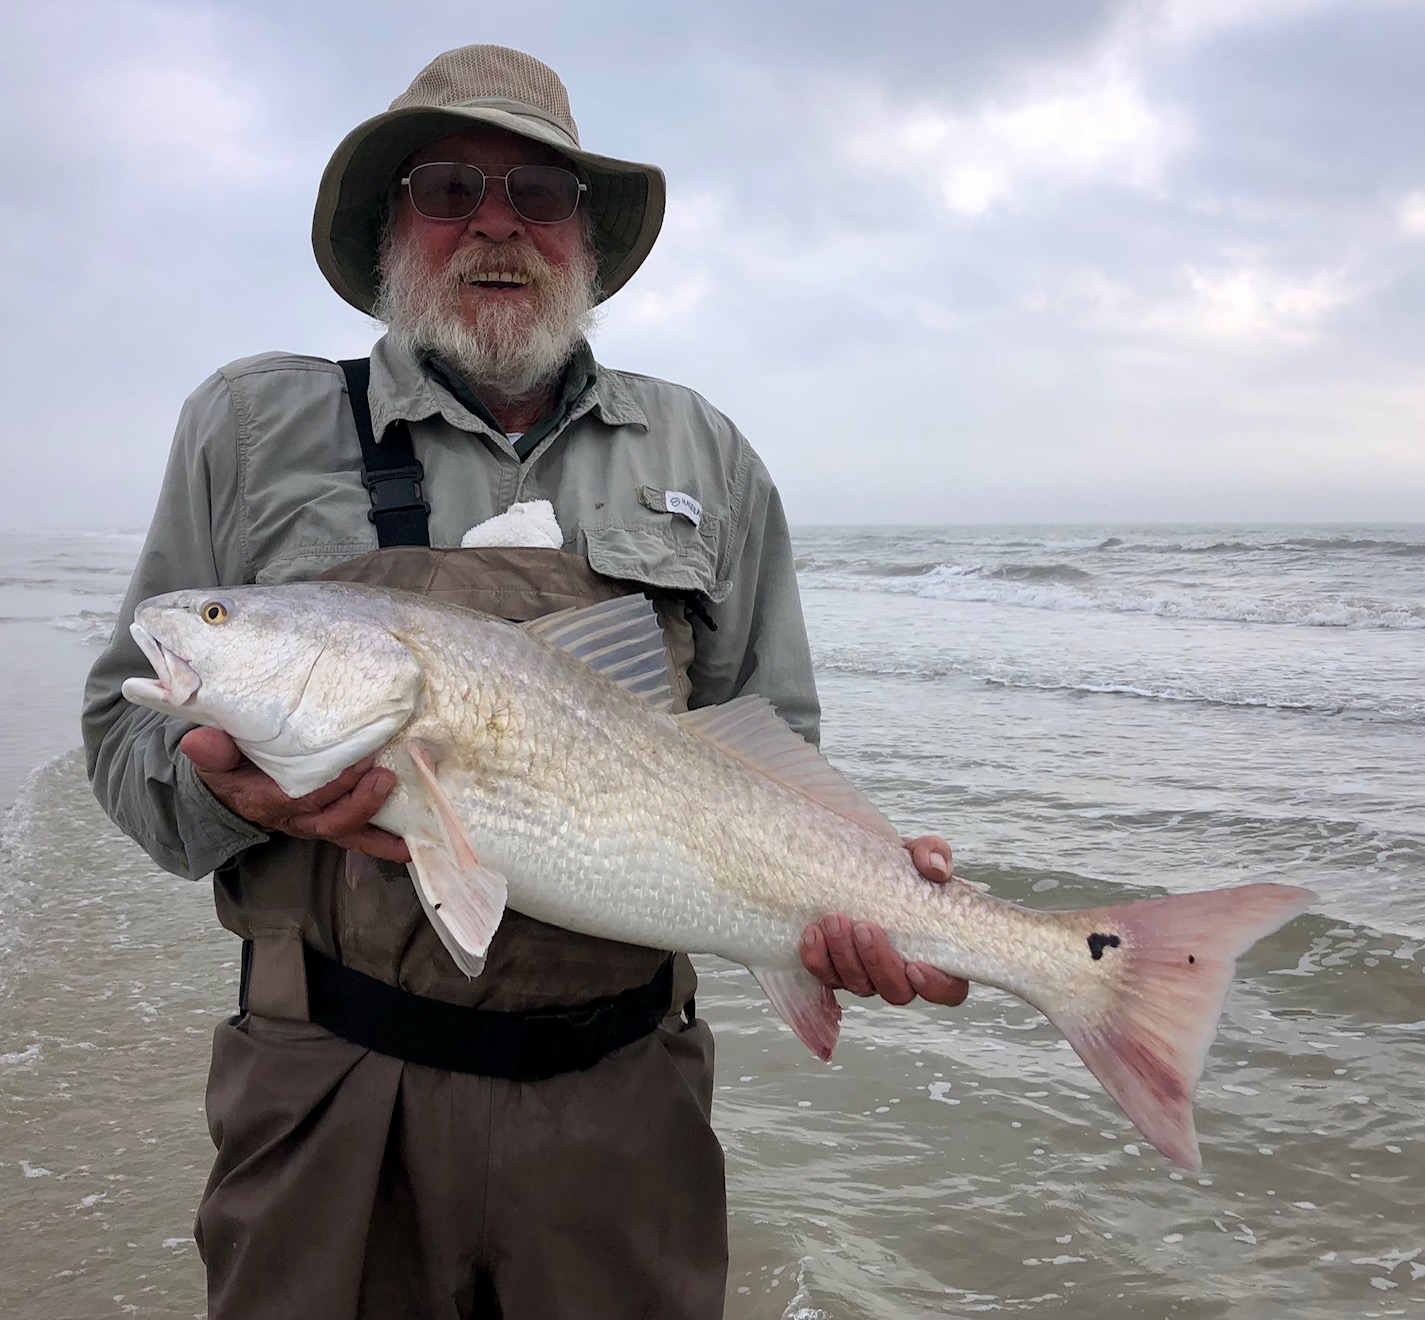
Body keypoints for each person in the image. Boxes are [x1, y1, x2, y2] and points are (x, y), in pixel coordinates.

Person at [82, 44, 968, 1320]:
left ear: (585, 236)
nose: (495, 222)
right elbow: (129, 751)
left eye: (538, 192)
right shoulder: (248, 427)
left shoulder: (705, 453)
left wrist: (853, 894)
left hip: (623, 1110)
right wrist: (244, 797)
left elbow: (770, 746)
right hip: (327, 1089)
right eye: (449, 185)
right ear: (392, 220)